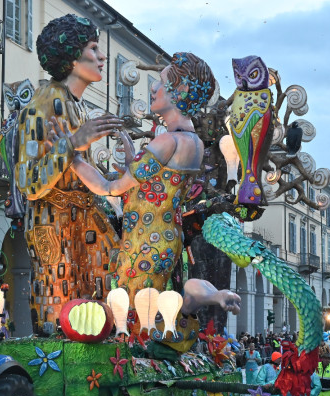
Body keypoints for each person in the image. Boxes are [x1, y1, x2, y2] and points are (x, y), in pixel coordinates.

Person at [60, 51, 215, 307]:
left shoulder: (168, 141)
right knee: (147, 309)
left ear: (181, 90)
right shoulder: (194, 142)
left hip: (145, 241)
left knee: (129, 310)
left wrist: (71, 155)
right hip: (165, 236)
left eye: (162, 82)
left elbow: (109, 188)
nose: (153, 87)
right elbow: (160, 182)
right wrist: (132, 155)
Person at [16, 14, 124, 331]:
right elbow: (30, 183)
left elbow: (82, 168)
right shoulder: (42, 104)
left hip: (81, 217)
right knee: (59, 310)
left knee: (111, 282)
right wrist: (75, 142)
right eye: (94, 48)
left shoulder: (77, 106)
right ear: (73, 59)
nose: (102, 57)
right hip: (52, 220)